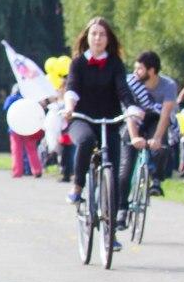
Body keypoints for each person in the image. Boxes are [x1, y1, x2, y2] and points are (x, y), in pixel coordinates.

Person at [62, 17, 140, 249]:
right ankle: (77, 187)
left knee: (112, 175)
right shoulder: (78, 63)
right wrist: (69, 107)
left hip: (109, 121)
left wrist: (131, 108)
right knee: (86, 140)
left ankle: (110, 233)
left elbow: (123, 89)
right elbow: (72, 88)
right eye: (94, 34)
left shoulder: (115, 64)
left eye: (102, 34)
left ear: (108, 39)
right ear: (87, 37)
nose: (97, 38)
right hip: (82, 118)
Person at [116, 50, 177, 227]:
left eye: (140, 69)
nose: (136, 72)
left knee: (162, 146)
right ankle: (122, 209)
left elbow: (165, 115)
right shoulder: (130, 83)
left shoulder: (168, 86)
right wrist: (134, 137)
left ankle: (156, 179)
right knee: (125, 170)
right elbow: (129, 113)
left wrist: (156, 139)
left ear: (151, 71)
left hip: (155, 120)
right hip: (133, 121)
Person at [3, 85, 43, 178]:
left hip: (15, 127)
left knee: (16, 150)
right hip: (29, 127)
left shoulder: (11, 98)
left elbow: (6, 108)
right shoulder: (31, 99)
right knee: (32, 149)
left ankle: (17, 171)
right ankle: (37, 170)